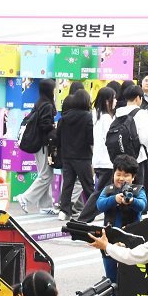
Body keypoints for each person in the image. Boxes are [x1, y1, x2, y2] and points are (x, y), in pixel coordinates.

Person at [94, 154, 146, 296]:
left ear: (133, 177)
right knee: (111, 276)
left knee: (129, 275)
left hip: (130, 242)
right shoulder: (108, 190)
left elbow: (143, 206)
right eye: (118, 174)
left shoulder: (139, 191)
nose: (121, 178)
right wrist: (115, 199)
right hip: (108, 241)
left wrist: (130, 201)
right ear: (114, 173)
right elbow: (99, 205)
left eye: (126, 175)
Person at [16, 78, 57, 214]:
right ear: (50, 90)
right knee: (46, 175)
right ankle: (26, 198)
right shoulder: (47, 105)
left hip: (38, 144)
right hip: (44, 144)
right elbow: (44, 125)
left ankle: (45, 206)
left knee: (43, 174)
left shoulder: (39, 102)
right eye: (54, 89)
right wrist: (54, 126)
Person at [77, 86, 116, 222]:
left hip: (98, 159)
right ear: (107, 101)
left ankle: (105, 219)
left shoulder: (95, 116)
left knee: (104, 191)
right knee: (101, 192)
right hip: (107, 161)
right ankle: (83, 219)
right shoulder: (106, 119)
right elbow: (110, 140)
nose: (115, 101)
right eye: (113, 98)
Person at [56, 89, 94, 221]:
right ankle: (92, 210)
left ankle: (64, 211)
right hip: (83, 156)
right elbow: (91, 138)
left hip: (67, 156)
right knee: (88, 184)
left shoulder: (64, 118)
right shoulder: (88, 117)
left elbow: (57, 137)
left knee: (68, 184)